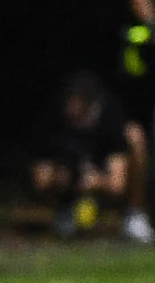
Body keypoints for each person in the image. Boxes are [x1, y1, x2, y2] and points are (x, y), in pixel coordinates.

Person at [30, 67, 134, 236]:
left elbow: (117, 182)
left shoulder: (110, 116)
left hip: (100, 170)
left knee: (132, 138)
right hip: (68, 170)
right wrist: (61, 176)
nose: (72, 107)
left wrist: (97, 181)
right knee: (45, 177)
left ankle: (133, 216)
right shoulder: (54, 118)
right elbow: (41, 165)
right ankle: (64, 209)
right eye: (69, 100)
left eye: (77, 101)